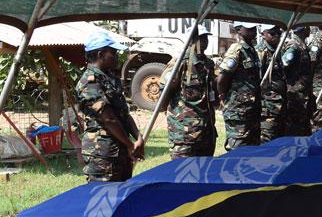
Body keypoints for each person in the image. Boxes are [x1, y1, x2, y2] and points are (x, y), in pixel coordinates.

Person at [75, 31, 144, 181]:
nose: (117, 56)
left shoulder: (111, 79)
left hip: (120, 151)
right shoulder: (89, 82)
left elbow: (124, 114)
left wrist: (138, 137)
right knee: (103, 194)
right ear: (100, 55)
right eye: (113, 53)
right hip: (102, 154)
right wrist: (130, 145)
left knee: (123, 191)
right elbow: (108, 119)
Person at [160, 28, 218, 158]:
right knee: (183, 169)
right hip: (184, 133)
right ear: (191, 41)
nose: (205, 42)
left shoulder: (208, 64)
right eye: (201, 38)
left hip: (206, 131)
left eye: (206, 38)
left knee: (206, 168)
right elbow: (164, 92)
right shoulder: (180, 63)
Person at [218, 22, 262, 150]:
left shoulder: (251, 50)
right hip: (238, 110)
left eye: (254, 27)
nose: (253, 30)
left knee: (252, 148)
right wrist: (223, 96)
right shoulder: (237, 49)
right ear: (239, 30)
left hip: (251, 109)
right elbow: (222, 78)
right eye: (249, 28)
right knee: (238, 147)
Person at [256, 25, 287, 143]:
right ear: (263, 34)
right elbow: (258, 81)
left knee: (280, 139)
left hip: (279, 103)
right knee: (268, 139)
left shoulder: (278, 50)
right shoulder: (260, 52)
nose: (277, 36)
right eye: (272, 33)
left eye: (279, 33)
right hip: (267, 106)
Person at [280, 26, 313, 137]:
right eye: (308, 28)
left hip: (303, 93)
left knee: (303, 125)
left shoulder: (302, 46)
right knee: (295, 126)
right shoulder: (294, 46)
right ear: (304, 30)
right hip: (295, 94)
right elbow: (283, 65)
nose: (309, 30)